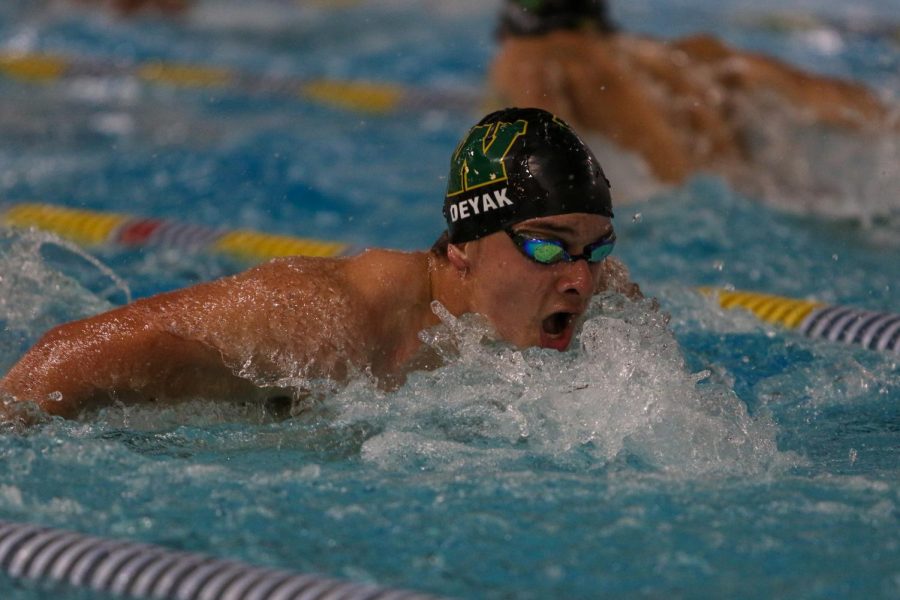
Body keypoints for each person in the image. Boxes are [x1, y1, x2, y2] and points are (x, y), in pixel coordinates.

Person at [0, 108, 640, 420]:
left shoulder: (596, 293)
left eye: (596, 248)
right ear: (462, 249)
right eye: (547, 245)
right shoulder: (334, 315)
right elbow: (69, 352)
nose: (579, 278)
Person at [489, 0, 893, 195]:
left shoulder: (530, 61)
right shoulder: (693, 58)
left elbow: (537, 177)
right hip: (775, 196)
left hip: (681, 216)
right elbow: (862, 111)